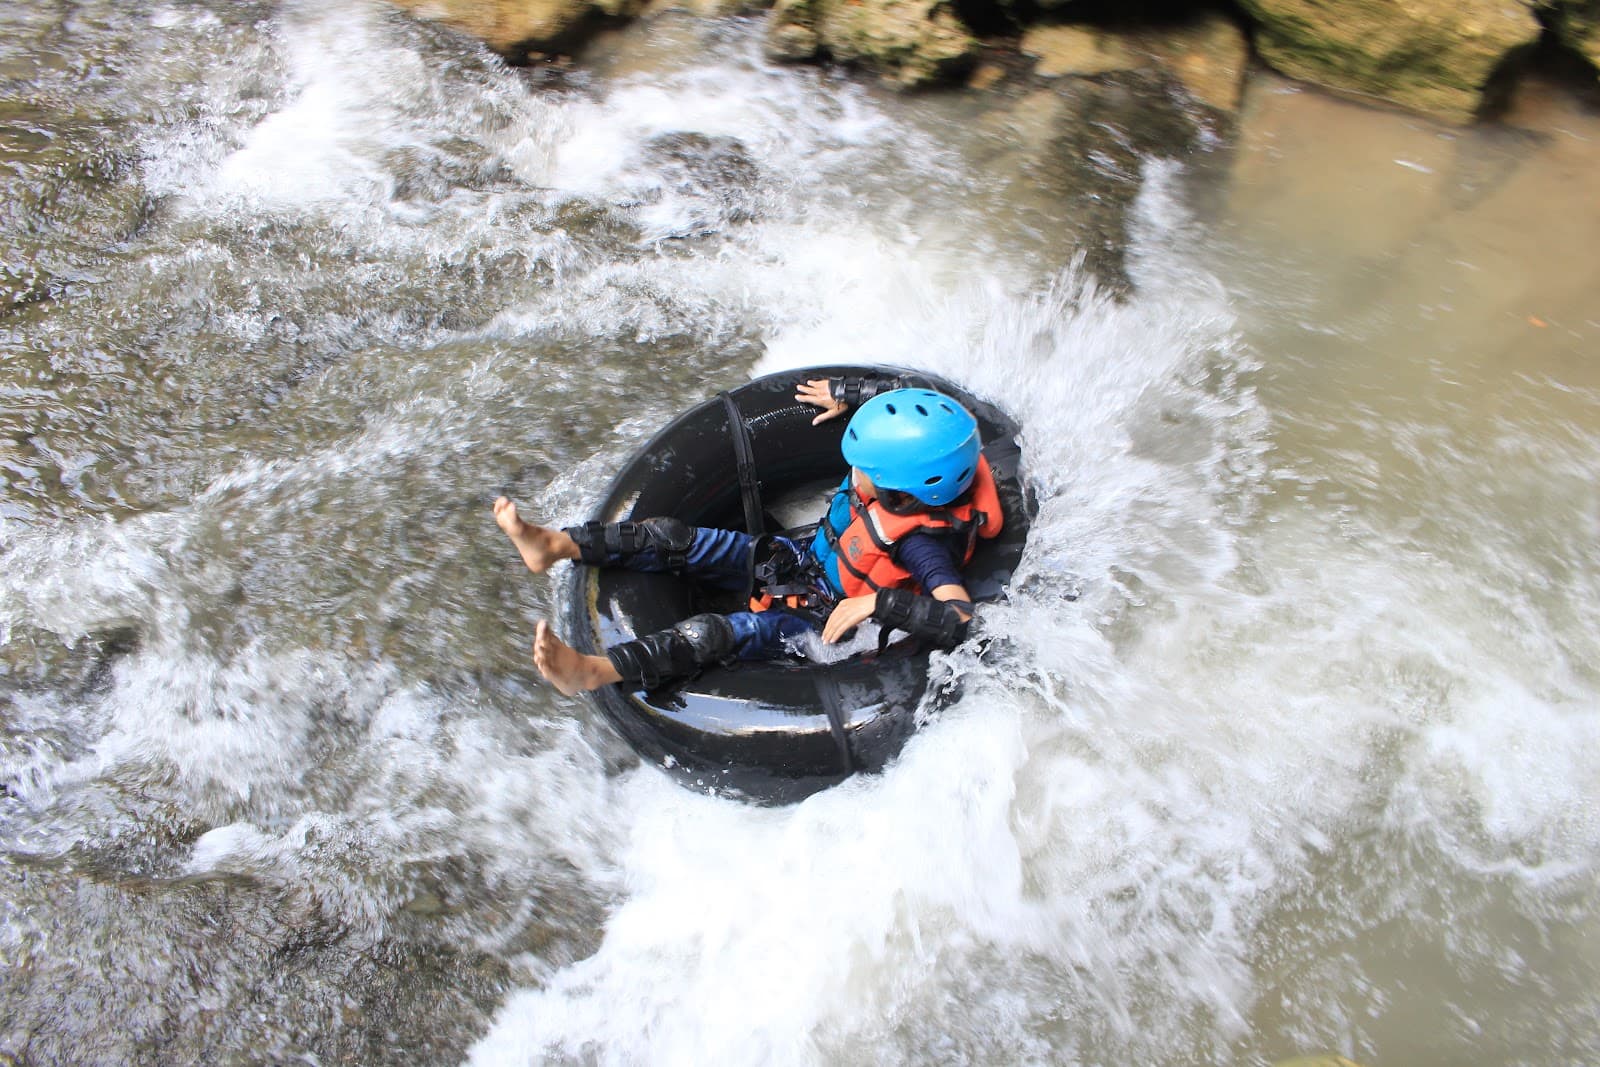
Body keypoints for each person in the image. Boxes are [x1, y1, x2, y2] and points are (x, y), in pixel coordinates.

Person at [494, 375, 1005, 695]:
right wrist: (848, 395)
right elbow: (906, 396)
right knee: (674, 537)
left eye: (865, 465)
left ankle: (595, 671)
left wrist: (878, 605)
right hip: (799, 559)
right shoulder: (922, 470)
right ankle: (555, 545)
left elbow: (960, 619)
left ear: (900, 491)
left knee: (714, 634)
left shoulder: (920, 544)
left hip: (813, 623)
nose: (854, 469)